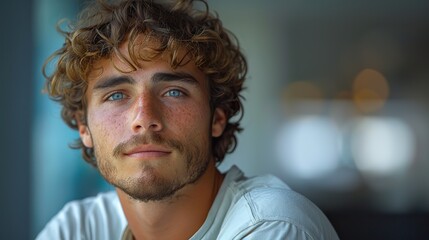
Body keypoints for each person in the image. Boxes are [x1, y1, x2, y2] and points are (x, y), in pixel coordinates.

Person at [36, 0, 339, 239]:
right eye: (116, 95)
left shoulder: (274, 226)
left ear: (217, 118)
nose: (144, 119)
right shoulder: (77, 229)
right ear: (83, 127)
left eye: (173, 92)